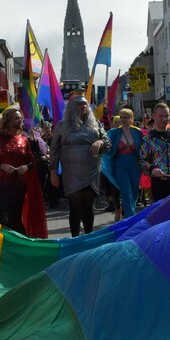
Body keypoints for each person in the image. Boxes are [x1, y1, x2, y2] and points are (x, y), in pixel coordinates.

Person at [0, 106, 46, 237]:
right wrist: (1, 166)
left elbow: (31, 161)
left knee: (15, 219)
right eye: (17, 118)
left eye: (21, 118)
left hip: (18, 186)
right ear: (8, 120)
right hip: (0, 185)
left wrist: (26, 167)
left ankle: (18, 249)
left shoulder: (24, 140)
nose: (20, 120)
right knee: (1, 218)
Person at [50, 95, 108, 236]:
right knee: (75, 207)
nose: (83, 107)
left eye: (85, 104)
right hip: (72, 171)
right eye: (79, 104)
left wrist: (100, 142)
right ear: (71, 107)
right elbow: (54, 149)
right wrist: (53, 172)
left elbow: (108, 143)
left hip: (92, 170)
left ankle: (87, 237)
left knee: (88, 207)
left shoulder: (96, 125)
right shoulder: (62, 126)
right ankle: (75, 239)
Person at [105, 108, 144, 218]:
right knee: (126, 192)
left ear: (131, 119)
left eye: (126, 117)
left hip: (135, 165)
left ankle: (129, 214)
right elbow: (104, 140)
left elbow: (144, 149)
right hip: (120, 164)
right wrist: (99, 143)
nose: (122, 119)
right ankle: (130, 218)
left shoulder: (138, 132)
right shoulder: (114, 133)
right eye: (121, 117)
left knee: (134, 192)